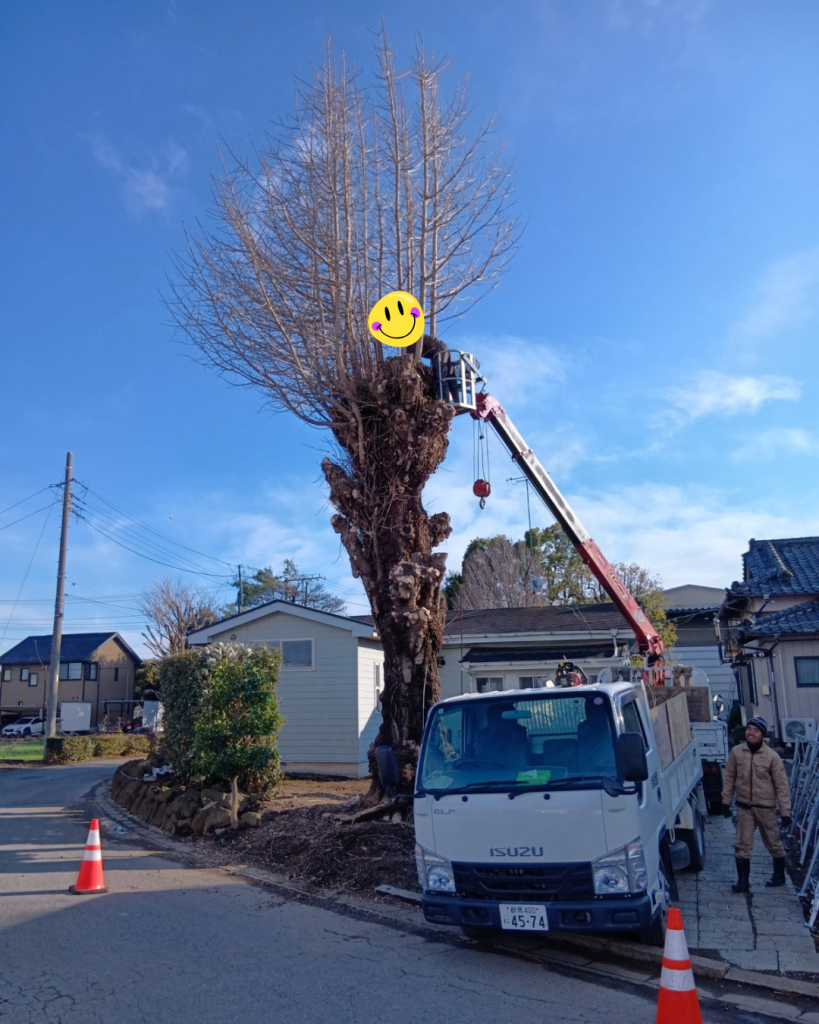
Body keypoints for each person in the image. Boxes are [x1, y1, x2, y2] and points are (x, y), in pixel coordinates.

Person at [722, 716, 791, 893]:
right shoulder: (737, 752)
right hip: (744, 807)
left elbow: (782, 786)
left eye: (756, 730)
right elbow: (729, 778)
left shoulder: (772, 757)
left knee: (773, 843)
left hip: (766, 808)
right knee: (742, 844)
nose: (751, 733)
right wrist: (725, 801)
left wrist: (785, 812)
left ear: (763, 735)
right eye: (749, 729)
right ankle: (743, 881)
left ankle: (779, 875)